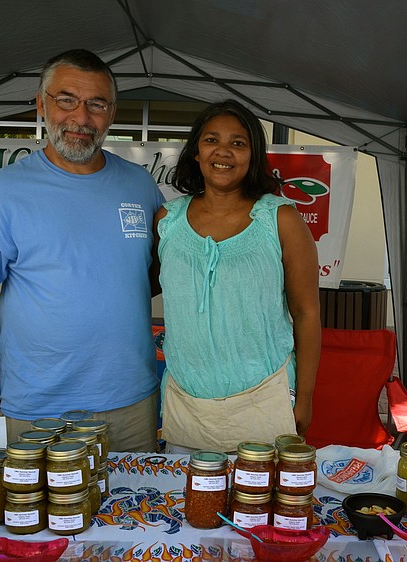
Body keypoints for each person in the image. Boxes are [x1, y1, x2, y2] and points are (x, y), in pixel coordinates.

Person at [0, 49, 164, 452]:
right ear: (41, 104)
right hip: (37, 409)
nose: (81, 118)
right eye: (66, 99)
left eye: (96, 104)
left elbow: (150, 273)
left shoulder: (140, 185)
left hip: (133, 402)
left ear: (112, 113)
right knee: (38, 515)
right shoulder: (5, 191)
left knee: (135, 513)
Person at [154, 99, 321, 453]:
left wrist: (303, 397)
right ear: (196, 152)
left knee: (259, 505)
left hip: (265, 399)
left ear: (254, 155)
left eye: (238, 143)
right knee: (189, 505)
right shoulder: (166, 220)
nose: (223, 152)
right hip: (187, 404)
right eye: (211, 140)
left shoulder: (281, 220)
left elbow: (307, 314)